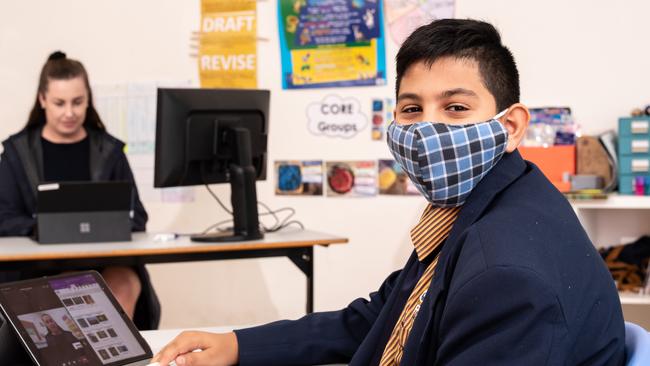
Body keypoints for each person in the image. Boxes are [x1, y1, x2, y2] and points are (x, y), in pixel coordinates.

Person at [153, 19, 625, 366]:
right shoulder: (481, 204)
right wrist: (239, 345)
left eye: (456, 107)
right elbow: (384, 313)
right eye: (411, 108)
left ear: (512, 126)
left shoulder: (504, 272)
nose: (427, 129)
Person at [0, 51, 160, 330]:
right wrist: (44, 228)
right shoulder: (17, 152)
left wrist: (100, 226)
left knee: (121, 284)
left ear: (88, 99)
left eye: (78, 102)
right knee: (76, 284)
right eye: (59, 103)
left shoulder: (110, 150)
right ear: (42, 100)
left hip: (105, 261)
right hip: (40, 266)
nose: (69, 113)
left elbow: (137, 217)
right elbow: (4, 217)